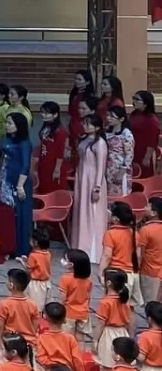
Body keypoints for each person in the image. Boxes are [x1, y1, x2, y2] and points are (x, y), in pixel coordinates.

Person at [72, 112, 110, 265]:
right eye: (84, 123)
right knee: (81, 212)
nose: (85, 126)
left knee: (92, 213)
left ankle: (93, 251)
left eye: (89, 124)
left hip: (93, 180)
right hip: (82, 179)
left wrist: (97, 188)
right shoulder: (83, 140)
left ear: (97, 127)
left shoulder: (100, 143)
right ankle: (79, 247)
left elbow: (101, 167)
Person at [1, 113, 33, 260]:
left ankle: (22, 249)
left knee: (21, 215)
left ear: (18, 125)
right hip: (7, 179)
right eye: (6, 122)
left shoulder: (25, 143)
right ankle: (9, 247)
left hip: (20, 183)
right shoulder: (7, 139)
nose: (7, 125)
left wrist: (20, 186)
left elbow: (26, 165)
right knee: (9, 215)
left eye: (10, 123)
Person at [106, 103, 136, 198]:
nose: (108, 118)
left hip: (119, 168)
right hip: (107, 167)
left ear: (121, 119)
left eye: (112, 116)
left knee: (119, 193)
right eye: (108, 115)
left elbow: (129, 155)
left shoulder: (126, 134)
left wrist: (121, 172)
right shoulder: (106, 131)